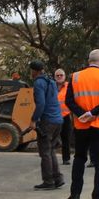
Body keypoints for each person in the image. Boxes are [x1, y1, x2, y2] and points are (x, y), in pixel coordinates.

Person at [64, 49, 99, 199]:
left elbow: (69, 101)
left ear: (89, 61)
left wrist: (83, 114)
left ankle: (74, 194)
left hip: (81, 125)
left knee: (79, 158)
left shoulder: (75, 77)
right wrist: (93, 113)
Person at [30, 60, 65, 189]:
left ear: (34, 71)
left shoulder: (39, 83)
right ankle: (58, 178)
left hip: (48, 121)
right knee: (51, 150)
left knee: (45, 152)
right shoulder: (51, 81)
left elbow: (41, 104)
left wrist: (34, 119)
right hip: (58, 120)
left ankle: (49, 181)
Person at [54, 68, 72, 164]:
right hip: (53, 116)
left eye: (61, 75)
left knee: (66, 138)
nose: (59, 77)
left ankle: (66, 159)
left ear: (64, 76)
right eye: (57, 75)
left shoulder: (69, 86)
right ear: (55, 77)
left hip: (66, 116)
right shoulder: (51, 86)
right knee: (51, 138)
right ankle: (50, 158)